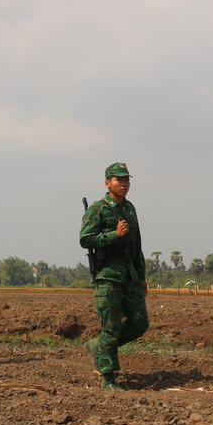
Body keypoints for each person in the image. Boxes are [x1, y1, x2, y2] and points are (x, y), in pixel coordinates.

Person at [79, 162, 149, 390]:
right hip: (108, 277)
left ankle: (97, 346)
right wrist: (113, 235)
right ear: (108, 183)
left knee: (140, 323)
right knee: (111, 328)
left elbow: (137, 245)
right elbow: (85, 239)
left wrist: (141, 276)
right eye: (119, 179)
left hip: (130, 276)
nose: (124, 183)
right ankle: (108, 379)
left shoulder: (130, 208)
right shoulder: (98, 209)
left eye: (127, 179)